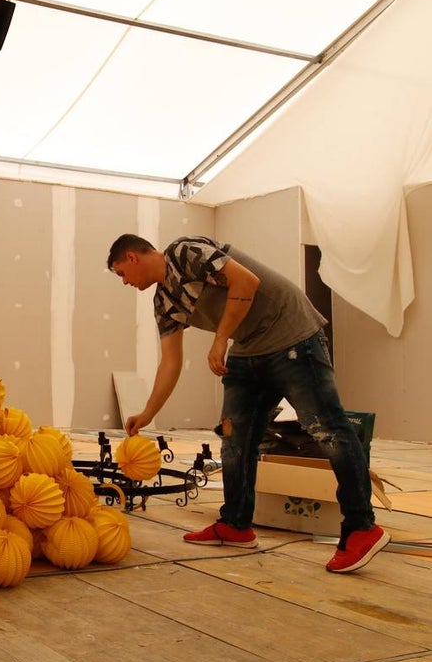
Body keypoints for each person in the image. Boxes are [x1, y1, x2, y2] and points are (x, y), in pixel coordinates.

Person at [106, 233, 389, 573]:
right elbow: (170, 362)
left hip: (293, 335)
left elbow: (246, 281)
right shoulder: (165, 301)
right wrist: (148, 412)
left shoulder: (184, 253)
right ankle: (236, 524)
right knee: (234, 437)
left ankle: (362, 527)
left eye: (121, 273)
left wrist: (220, 339)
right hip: (251, 349)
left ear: (133, 258)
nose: (124, 282)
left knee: (327, 429)